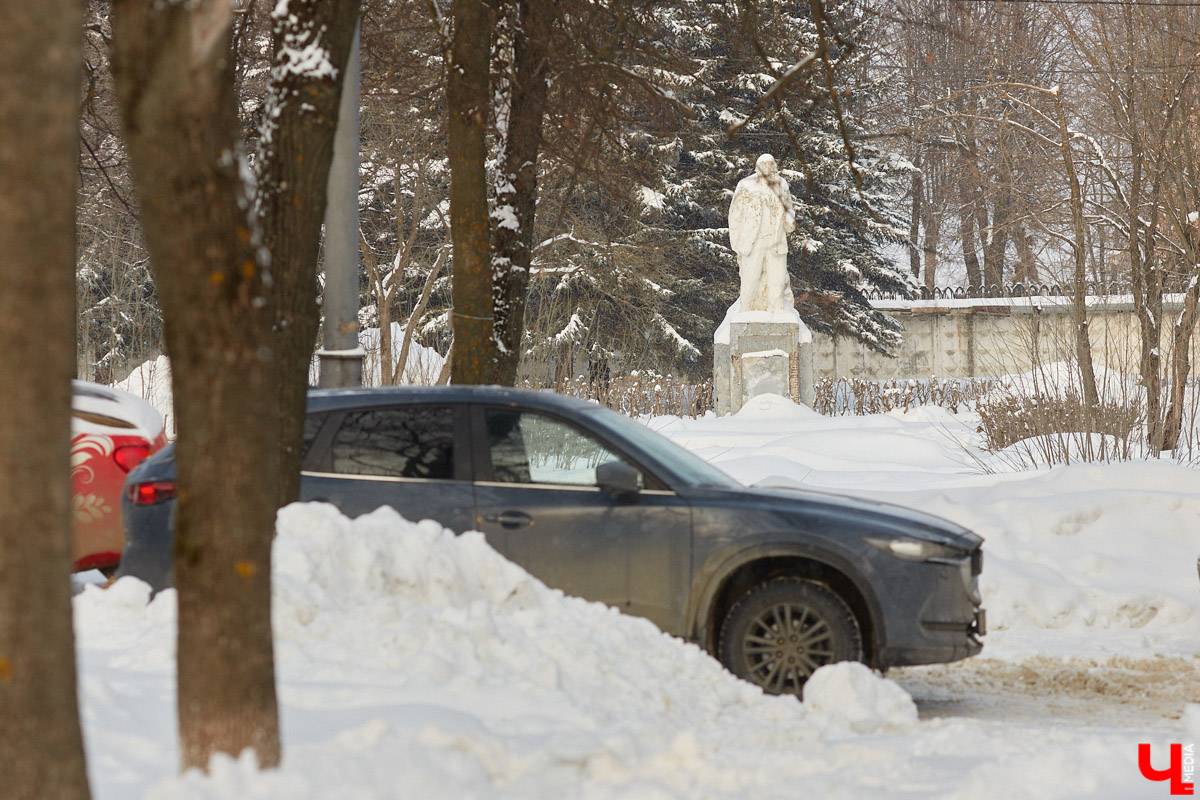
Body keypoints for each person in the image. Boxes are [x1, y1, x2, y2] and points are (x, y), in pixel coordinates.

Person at [728, 153, 796, 312]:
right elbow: (735, 216)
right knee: (750, 280)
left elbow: (789, 210)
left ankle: (776, 314)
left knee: (776, 282)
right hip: (753, 242)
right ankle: (745, 312)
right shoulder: (745, 186)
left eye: (770, 166)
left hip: (776, 241)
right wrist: (737, 245)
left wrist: (790, 221)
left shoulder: (781, 185)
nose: (768, 170)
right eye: (764, 166)